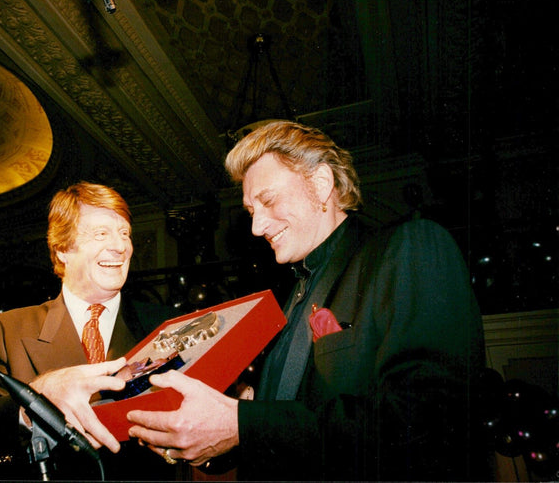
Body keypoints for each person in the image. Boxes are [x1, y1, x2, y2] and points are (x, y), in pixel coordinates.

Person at [127, 120, 489, 480]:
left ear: (321, 184)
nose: (256, 227)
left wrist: (242, 424)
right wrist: (200, 436)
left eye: (268, 201)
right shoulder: (289, 300)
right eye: (252, 212)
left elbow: (431, 425)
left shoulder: (411, 247)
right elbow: (288, 428)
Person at [0, 182, 175, 480]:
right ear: (62, 250)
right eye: (101, 234)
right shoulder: (11, 329)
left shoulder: (166, 326)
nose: (121, 246)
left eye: (125, 233)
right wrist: (36, 400)